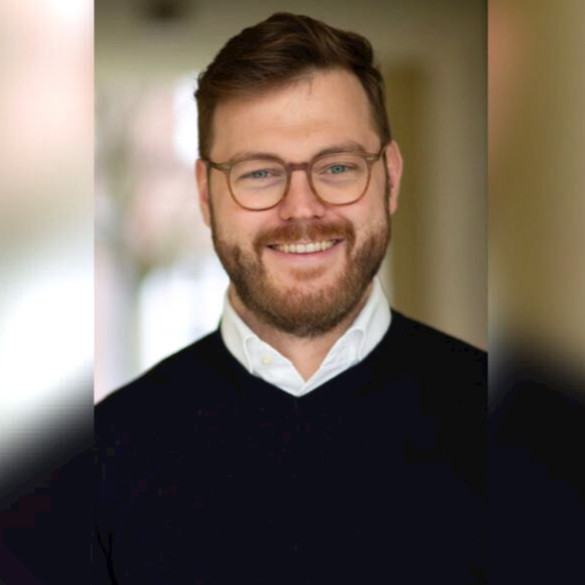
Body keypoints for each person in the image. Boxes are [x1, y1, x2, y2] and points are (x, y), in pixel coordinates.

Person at [93, 13, 486, 584]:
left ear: (391, 178)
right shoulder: (105, 458)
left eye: (338, 166)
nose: (301, 208)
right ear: (205, 194)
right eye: (259, 174)